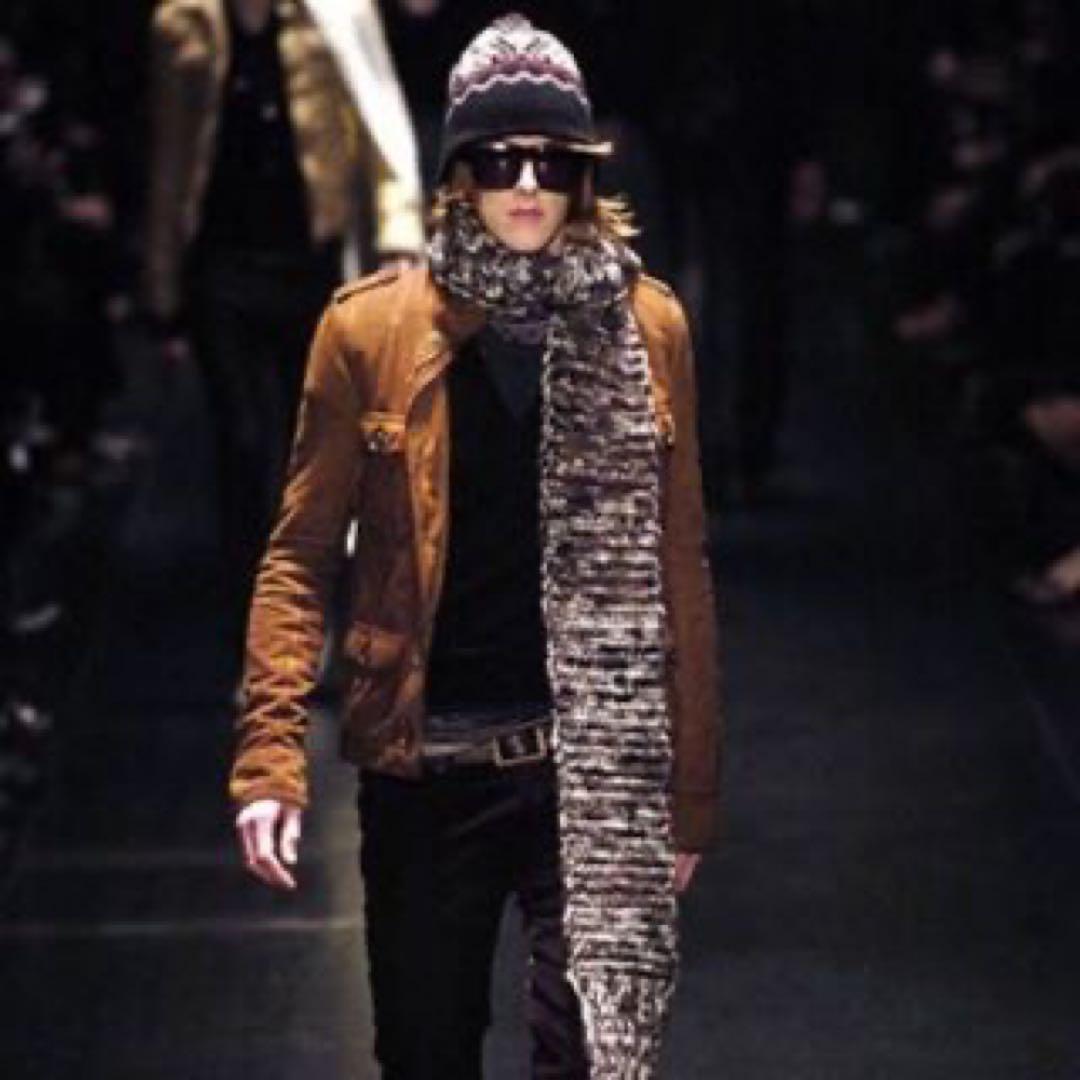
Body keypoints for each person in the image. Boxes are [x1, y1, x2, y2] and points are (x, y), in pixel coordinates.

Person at [230, 13, 720, 1077]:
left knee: (589, 1059)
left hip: (591, 773)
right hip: (428, 772)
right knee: (425, 1055)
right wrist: (270, 757)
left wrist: (687, 792)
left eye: (553, 159)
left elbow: (679, 566)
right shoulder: (368, 331)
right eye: (500, 159)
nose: (527, 184)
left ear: (585, 172)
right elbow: (299, 556)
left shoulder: (650, 328)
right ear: (460, 171)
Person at [143, 0, 424, 629]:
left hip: (310, 263)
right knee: (242, 439)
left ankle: (305, 594)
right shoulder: (184, 24)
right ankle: (256, 608)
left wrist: (398, 231)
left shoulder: (338, 13)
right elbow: (170, 159)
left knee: (316, 442)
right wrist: (161, 291)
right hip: (221, 265)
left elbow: (376, 115)